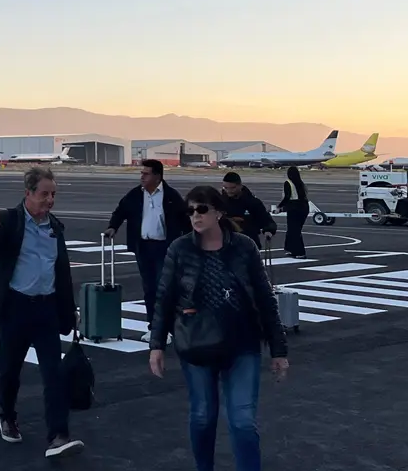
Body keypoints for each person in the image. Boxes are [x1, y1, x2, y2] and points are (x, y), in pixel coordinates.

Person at [148, 185, 290, 471]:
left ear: (219, 213)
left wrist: (279, 349)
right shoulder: (180, 249)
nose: (195, 216)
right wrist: (156, 345)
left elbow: (264, 298)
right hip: (197, 343)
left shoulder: (244, 247)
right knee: (203, 416)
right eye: (190, 211)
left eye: (202, 209)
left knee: (242, 421)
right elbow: (164, 298)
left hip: (242, 344)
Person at [0, 166, 84, 459]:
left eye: (53, 194)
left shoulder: (55, 227)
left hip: (46, 309)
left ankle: (58, 435)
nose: (50, 200)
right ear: (28, 193)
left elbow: (61, 272)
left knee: (54, 373)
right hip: (15, 308)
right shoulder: (9, 220)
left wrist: (68, 308)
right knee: (10, 371)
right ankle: (7, 415)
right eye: (44, 194)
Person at [106, 159, 191, 342]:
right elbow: (120, 211)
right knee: (149, 288)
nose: (142, 177)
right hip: (143, 247)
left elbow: (185, 220)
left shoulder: (171, 196)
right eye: (141, 173)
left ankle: (167, 328)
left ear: (157, 176)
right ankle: (153, 327)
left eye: (146, 174)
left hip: (164, 248)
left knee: (163, 288)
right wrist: (113, 227)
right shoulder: (136, 194)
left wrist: (190, 242)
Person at [220, 172, 277, 250]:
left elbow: (265, 218)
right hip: (227, 244)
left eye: (232, 188)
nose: (229, 191)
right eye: (225, 188)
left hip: (249, 242)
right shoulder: (220, 201)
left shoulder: (252, 202)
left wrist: (268, 230)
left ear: (240, 186)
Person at [276, 166, 310, 258]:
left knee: (294, 231)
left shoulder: (288, 183)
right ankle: (292, 249)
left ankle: (300, 252)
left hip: (294, 208)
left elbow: (287, 197)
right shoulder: (300, 183)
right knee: (294, 230)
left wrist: (279, 206)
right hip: (304, 207)